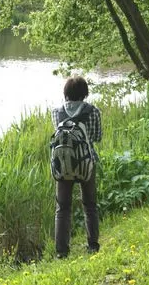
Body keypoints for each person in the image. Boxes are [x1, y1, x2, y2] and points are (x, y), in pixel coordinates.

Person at [51, 76, 102, 259]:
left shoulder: (56, 112)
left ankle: (61, 252)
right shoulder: (93, 111)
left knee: (62, 208)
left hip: (63, 164)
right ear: (84, 93)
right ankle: (93, 245)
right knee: (90, 205)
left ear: (66, 93)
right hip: (86, 163)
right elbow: (97, 137)